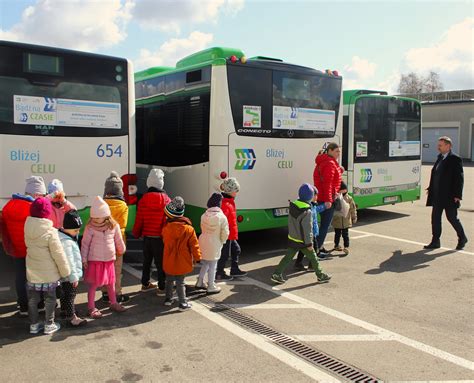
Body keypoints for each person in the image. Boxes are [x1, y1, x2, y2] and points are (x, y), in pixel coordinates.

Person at [1, 176, 47, 317]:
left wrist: (9, 246)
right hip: (33, 250)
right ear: (36, 194)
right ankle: (39, 305)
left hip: (16, 250)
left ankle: (23, 306)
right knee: (37, 277)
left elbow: (4, 230)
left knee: (20, 278)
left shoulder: (8, 206)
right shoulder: (34, 209)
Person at [25, 198, 71, 335]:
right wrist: (66, 271)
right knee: (50, 299)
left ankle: (33, 325)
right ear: (47, 213)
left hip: (32, 271)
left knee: (33, 299)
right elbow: (58, 253)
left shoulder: (27, 227)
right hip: (48, 273)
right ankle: (49, 324)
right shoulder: (51, 232)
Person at [271, 184, 331, 285]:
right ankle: (320, 275)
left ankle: (277, 274)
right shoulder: (307, 212)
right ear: (310, 196)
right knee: (313, 258)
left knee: (287, 258)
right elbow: (307, 230)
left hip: (293, 238)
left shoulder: (293, 206)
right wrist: (309, 244)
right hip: (303, 241)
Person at [81, 196, 127, 318]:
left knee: (111, 283)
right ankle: (91, 307)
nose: (95, 220)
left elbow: (118, 239)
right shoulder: (90, 227)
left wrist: (121, 249)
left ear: (106, 215)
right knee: (94, 285)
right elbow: (85, 244)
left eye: (97, 217)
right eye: (93, 218)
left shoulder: (113, 226)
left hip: (109, 260)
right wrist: (84, 259)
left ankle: (114, 303)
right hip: (95, 261)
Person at [425, 136, 468, 250]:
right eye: (438, 145)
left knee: (452, 218)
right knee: (435, 218)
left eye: (440, 145)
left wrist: (457, 195)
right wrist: (431, 187)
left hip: (449, 196)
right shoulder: (440, 157)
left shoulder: (455, 159)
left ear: (448, 146)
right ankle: (435, 241)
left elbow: (459, 178)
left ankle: (462, 238)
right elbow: (435, 174)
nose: (438, 147)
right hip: (437, 195)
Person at [132, 169, 171, 293]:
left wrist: (136, 233)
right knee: (161, 263)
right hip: (160, 238)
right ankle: (162, 287)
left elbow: (139, 218)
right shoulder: (166, 200)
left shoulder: (143, 200)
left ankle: (145, 284)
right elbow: (167, 221)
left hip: (147, 238)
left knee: (147, 262)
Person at [162, 197, 202, 311]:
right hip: (183, 260)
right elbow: (194, 245)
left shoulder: (166, 228)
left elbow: (164, 241)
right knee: (180, 282)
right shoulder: (189, 229)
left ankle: (168, 299)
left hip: (168, 259)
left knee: (169, 280)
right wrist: (198, 257)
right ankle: (183, 303)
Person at [102, 171, 129, 303]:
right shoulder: (123, 205)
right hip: (118, 241)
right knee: (117, 269)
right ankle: (116, 293)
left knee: (105, 267)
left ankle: (105, 293)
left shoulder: (102, 204)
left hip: (103, 241)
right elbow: (124, 224)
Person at [313, 143, 343, 257]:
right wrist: (328, 200)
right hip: (326, 198)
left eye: (339, 152)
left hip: (322, 196)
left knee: (321, 225)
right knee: (324, 226)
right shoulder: (329, 163)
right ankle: (316, 251)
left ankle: (319, 247)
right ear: (329, 151)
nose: (338, 153)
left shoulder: (324, 161)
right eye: (336, 151)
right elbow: (328, 183)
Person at [58, 210, 87, 327]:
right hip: (70, 275)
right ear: (67, 228)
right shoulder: (67, 242)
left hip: (64, 274)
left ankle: (65, 311)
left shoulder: (63, 236)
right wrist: (74, 277)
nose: (78, 232)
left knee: (65, 295)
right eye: (76, 230)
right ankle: (72, 317)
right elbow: (70, 261)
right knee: (70, 295)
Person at [196, 193, 230, 294]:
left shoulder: (203, 215)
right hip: (215, 242)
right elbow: (225, 232)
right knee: (213, 265)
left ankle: (200, 281)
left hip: (203, 240)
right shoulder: (221, 217)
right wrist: (222, 241)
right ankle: (211, 286)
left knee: (205, 263)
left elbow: (202, 228)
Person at [216, 178, 247, 281]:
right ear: (230, 191)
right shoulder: (226, 204)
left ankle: (234, 268)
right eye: (236, 191)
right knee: (224, 255)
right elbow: (222, 222)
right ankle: (219, 273)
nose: (237, 193)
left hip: (230, 234)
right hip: (226, 235)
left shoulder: (229, 201)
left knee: (236, 250)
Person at [294, 186, 331, 270]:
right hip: (310, 233)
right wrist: (324, 206)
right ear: (310, 196)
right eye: (316, 195)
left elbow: (317, 209)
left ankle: (298, 263)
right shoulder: (308, 206)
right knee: (314, 248)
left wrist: (324, 206)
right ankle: (312, 265)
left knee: (303, 248)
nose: (317, 197)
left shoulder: (312, 205)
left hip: (310, 232)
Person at [331, 182, 357, 256]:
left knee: (345, 235)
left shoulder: (349, 198)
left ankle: (346, 247)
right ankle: (336, 245)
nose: (343, 191)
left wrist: (354, 217)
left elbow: (353, 209)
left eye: (344, 189)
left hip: (346, 221)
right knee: (337, 234)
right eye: (342, 190)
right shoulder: (336, 197)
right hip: (337, 221)